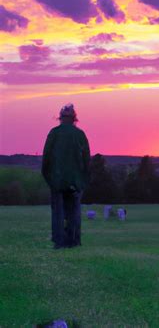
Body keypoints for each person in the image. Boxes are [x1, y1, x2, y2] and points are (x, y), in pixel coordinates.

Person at [41, 104, 90, 249]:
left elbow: (46, 158)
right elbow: (87, 160)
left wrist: (48, 178)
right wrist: (83, 179)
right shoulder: (80, 135)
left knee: (58, 211)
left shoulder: (54, 133)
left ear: (60, 118)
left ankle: (59, 241)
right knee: (74, 211)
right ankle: (74, 240)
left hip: (57, 179)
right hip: (76, 180)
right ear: (74, 118)